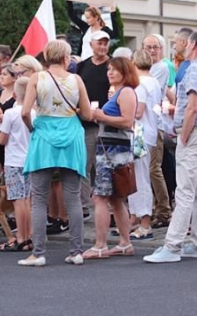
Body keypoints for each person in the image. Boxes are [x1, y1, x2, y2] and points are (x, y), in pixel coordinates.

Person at [144, 32, 197, 264]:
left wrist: (183, 134)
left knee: (185, 191)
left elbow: (192, 107)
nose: (180, 46)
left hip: (194, 134)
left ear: (192, 44)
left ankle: (172, 245)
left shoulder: (195, 69)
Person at [19, 40, 92, 267]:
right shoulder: (76, 79)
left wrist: (34, 129)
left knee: (39, 198)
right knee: (73, 197)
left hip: (44, 137)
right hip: (71, 135)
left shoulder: (37, 78)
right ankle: (77, 251)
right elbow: (88, 115)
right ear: (65, 57)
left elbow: (24, 112)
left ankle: (38, 253)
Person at [85, 57, 139, 260]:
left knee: (100, 197)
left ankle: (100, 244)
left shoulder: (125, 92)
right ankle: (125, 243)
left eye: (115, 70)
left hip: (113, 151)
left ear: (125, 72)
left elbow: (127, 121)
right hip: (111, 148)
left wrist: (101, 116)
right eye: (109, 69)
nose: (110, 72)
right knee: (116, 198)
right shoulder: (117, 92)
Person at [0, 77, 33, 252]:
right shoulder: (33, 113)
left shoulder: (11, 113)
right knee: (27, 199)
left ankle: (21, 237)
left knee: (18, 200)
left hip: (14, 160)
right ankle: (28, 236)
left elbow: (1, 139)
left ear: (14, 95)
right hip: (29, 159)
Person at [76, 30, 111, 214]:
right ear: (91, 44)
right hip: (86, 124)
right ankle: (84, 205)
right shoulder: (82, 66)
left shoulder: (112, 65)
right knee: (84, 164)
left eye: (106, 43)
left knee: (105, 165)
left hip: (107, 123)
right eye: (100, 43)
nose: (103, 47)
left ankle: (107, 205)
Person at [129, 50, 161, 240]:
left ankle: (144, 221)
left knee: (139, 178)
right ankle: (135, 217)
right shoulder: (154, 81)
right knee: (136, 175)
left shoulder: (139, 84)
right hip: (148, 132)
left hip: (138, 133)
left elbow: (138, 111)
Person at [142, 35, 171, 227]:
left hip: (154, 123)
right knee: (147, 169)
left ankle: (163, 210)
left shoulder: (160, 68)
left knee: (153, 168)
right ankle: (152, 207)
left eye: (155, 47)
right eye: (148, 47)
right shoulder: (147, 69)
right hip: (147, 124)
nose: (152, 51)